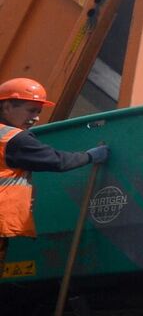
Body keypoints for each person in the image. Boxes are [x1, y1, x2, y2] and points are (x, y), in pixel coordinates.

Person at [0, 78, 108, 266]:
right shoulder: (14, 139)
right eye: (31, 110)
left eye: (39, 112)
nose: (36, 118)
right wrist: (90, 156)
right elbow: (57, 161)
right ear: (7, 107)